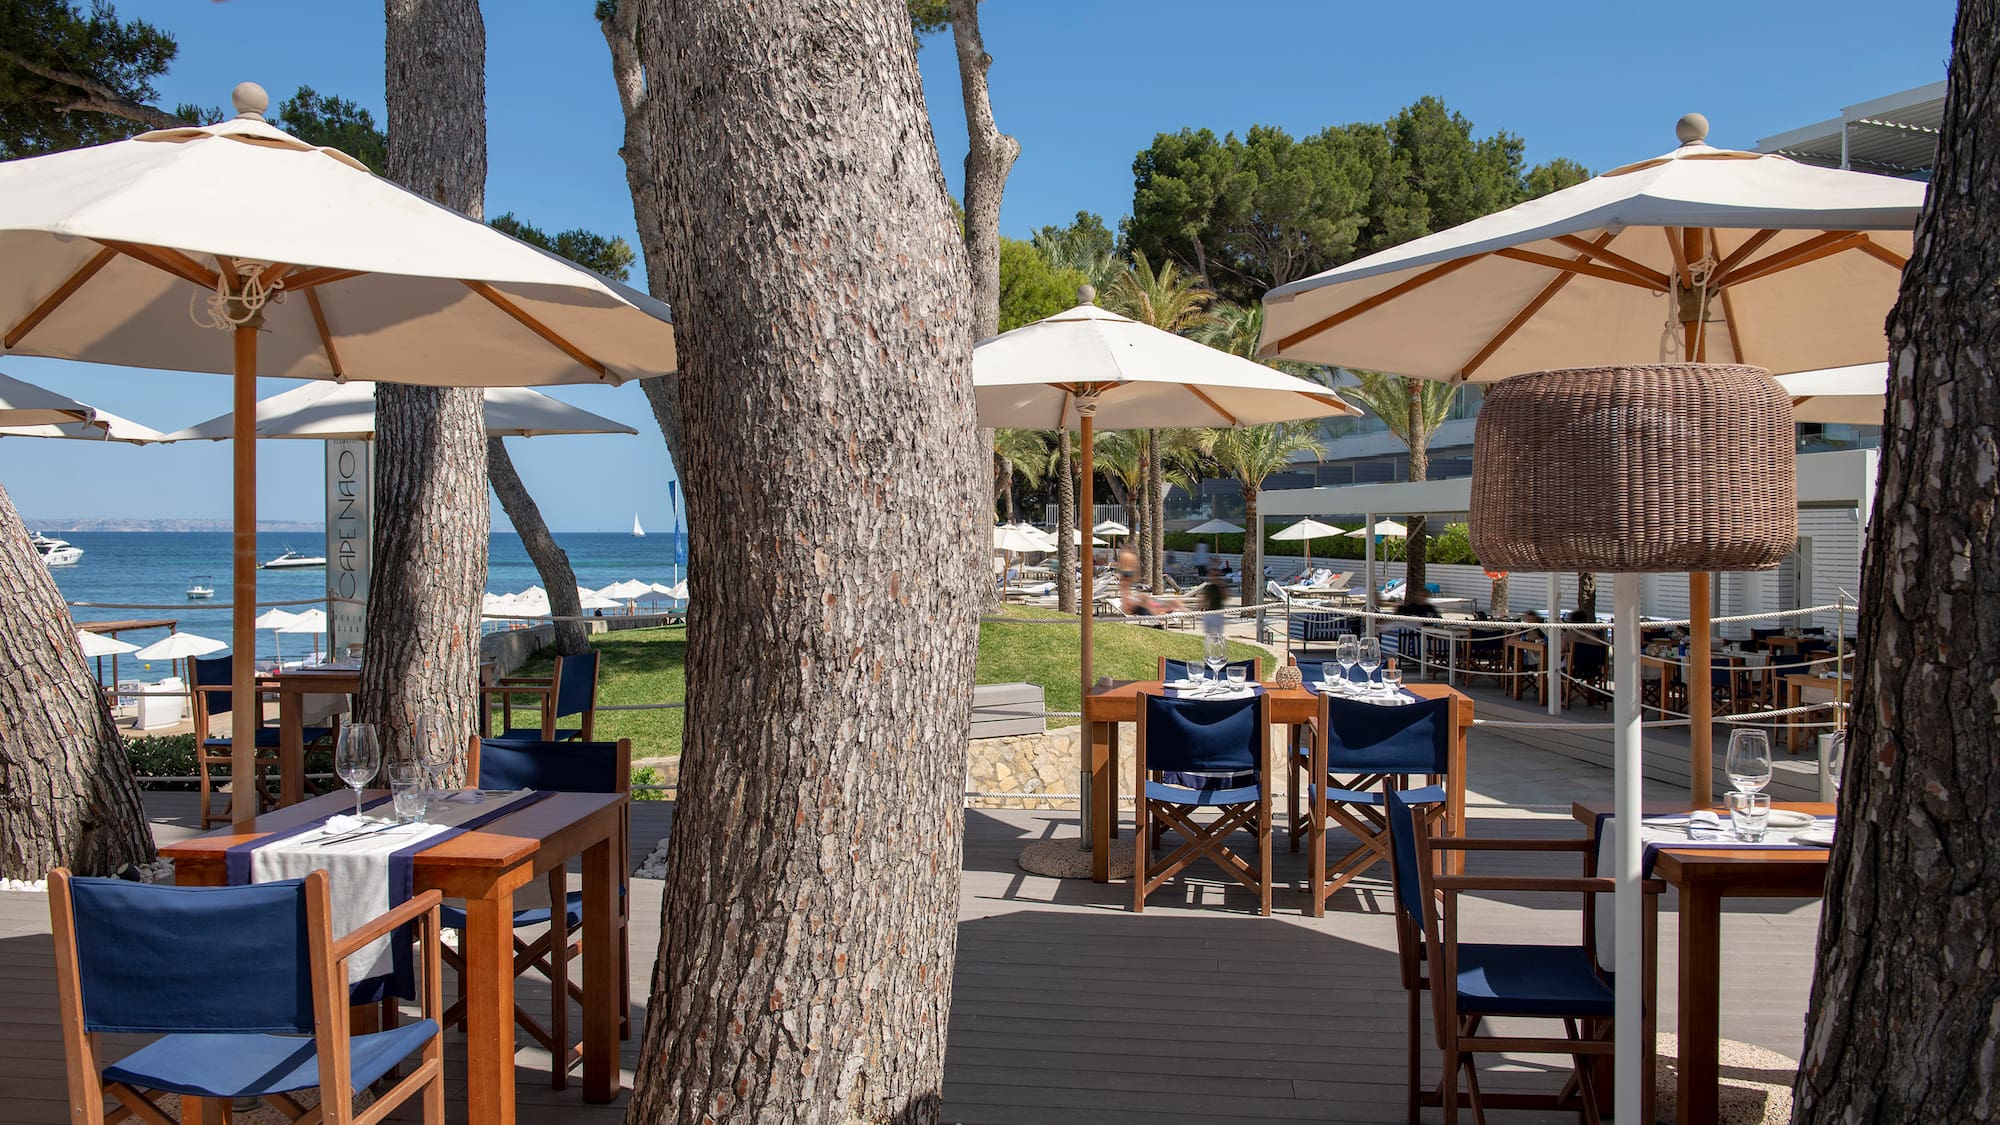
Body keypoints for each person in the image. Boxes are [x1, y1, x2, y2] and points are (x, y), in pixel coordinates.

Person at [1116, 549, 1181, 617]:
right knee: (1145, 598)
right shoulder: (1126, 592)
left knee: (1174, 602)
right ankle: (1162, 612)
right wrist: (1143, 601)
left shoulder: (1127, 591)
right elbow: (1127, 609)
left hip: (1149, 608)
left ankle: (1173, 607)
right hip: (1148, 609)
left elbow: (1128, 606)